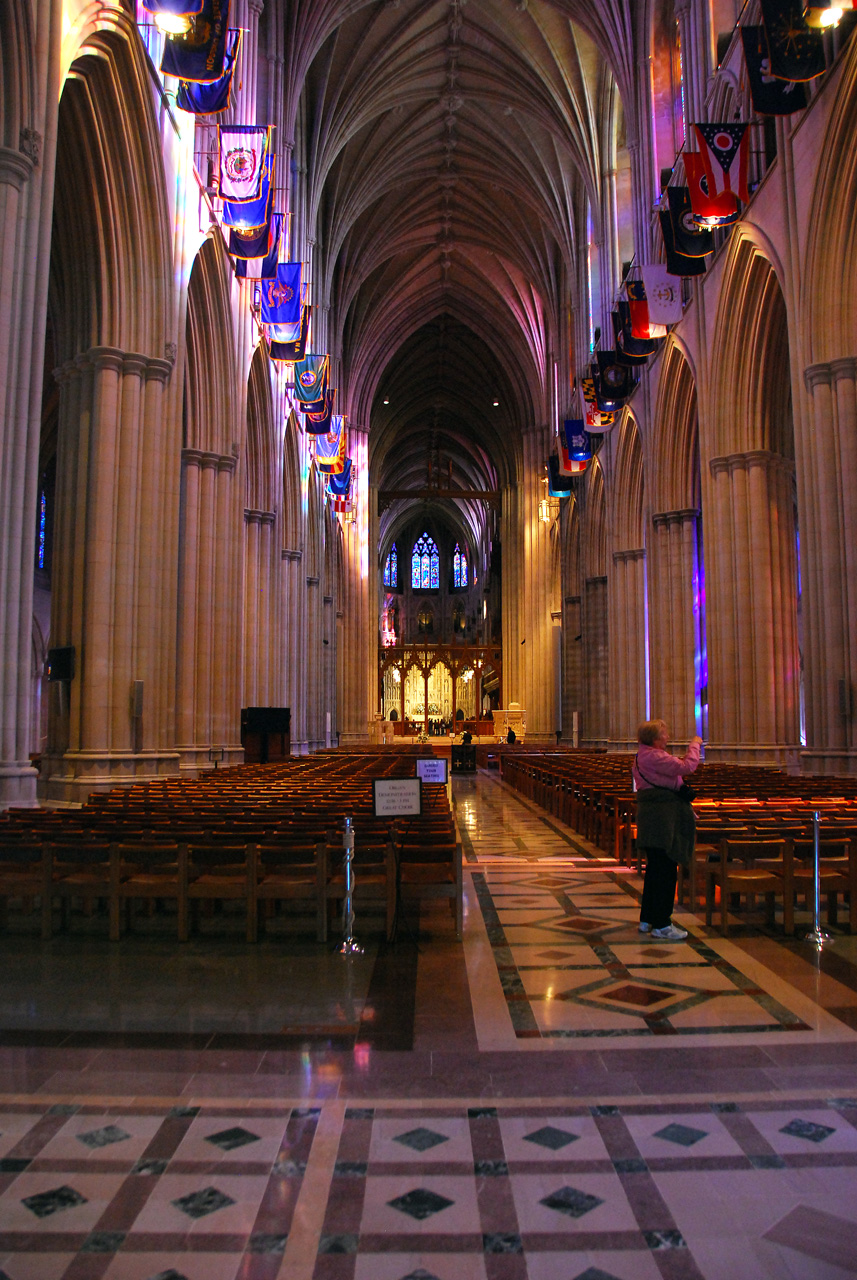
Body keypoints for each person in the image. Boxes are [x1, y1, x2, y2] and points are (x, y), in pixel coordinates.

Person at [632, 719, 702, 941]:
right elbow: (686, 767)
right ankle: (662, 924)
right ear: (654, 738)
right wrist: (695, 745)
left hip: (653, 818)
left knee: (655, 869)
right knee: (666, 870)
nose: (667, 737)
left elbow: (668, 780)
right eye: (664, 734)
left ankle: (648, 918)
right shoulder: (654, 756)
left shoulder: (643, 756)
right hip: (662, 820)